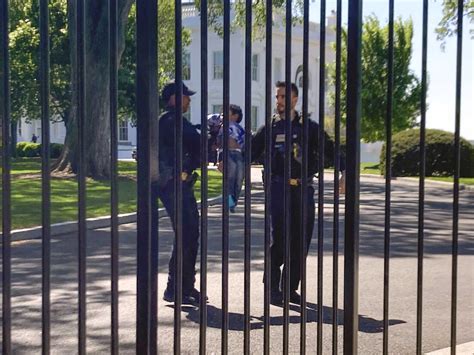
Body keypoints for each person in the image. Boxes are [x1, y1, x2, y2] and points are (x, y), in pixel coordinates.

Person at [251, 81, 345, 306]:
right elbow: (250, 151)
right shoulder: (270, 128)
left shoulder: (309, 128)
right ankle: (272, 288)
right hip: (278, 188)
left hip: (303, 189)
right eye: (277, 97)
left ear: (294, 99)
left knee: (301, 240)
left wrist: (345, 171)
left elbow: (330, 149)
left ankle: (289, 288)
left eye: (283, 97)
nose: (279, 101)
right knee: (280, 239)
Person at [155, 81, 203, 305]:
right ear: (174, 97)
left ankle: (185, 286)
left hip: (181, 185)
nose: (189, 100)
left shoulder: (176, 122)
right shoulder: (171, 122)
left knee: (190, 233)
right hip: (173, 185)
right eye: (186, 96)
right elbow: (196, 144)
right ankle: (174, 288)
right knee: (186, 234)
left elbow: (196, 150)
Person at [217, 104, 245, 212]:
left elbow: (244, 144)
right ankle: (229, 203)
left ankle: (233, 202)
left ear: (235, 115)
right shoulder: (223, 127)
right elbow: (219, 144)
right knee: (230, 179)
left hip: (238, 154)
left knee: (239, 180)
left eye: (226, 113)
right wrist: (220, 160)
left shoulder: (239, 129)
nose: (222, 115)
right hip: (227, 154)